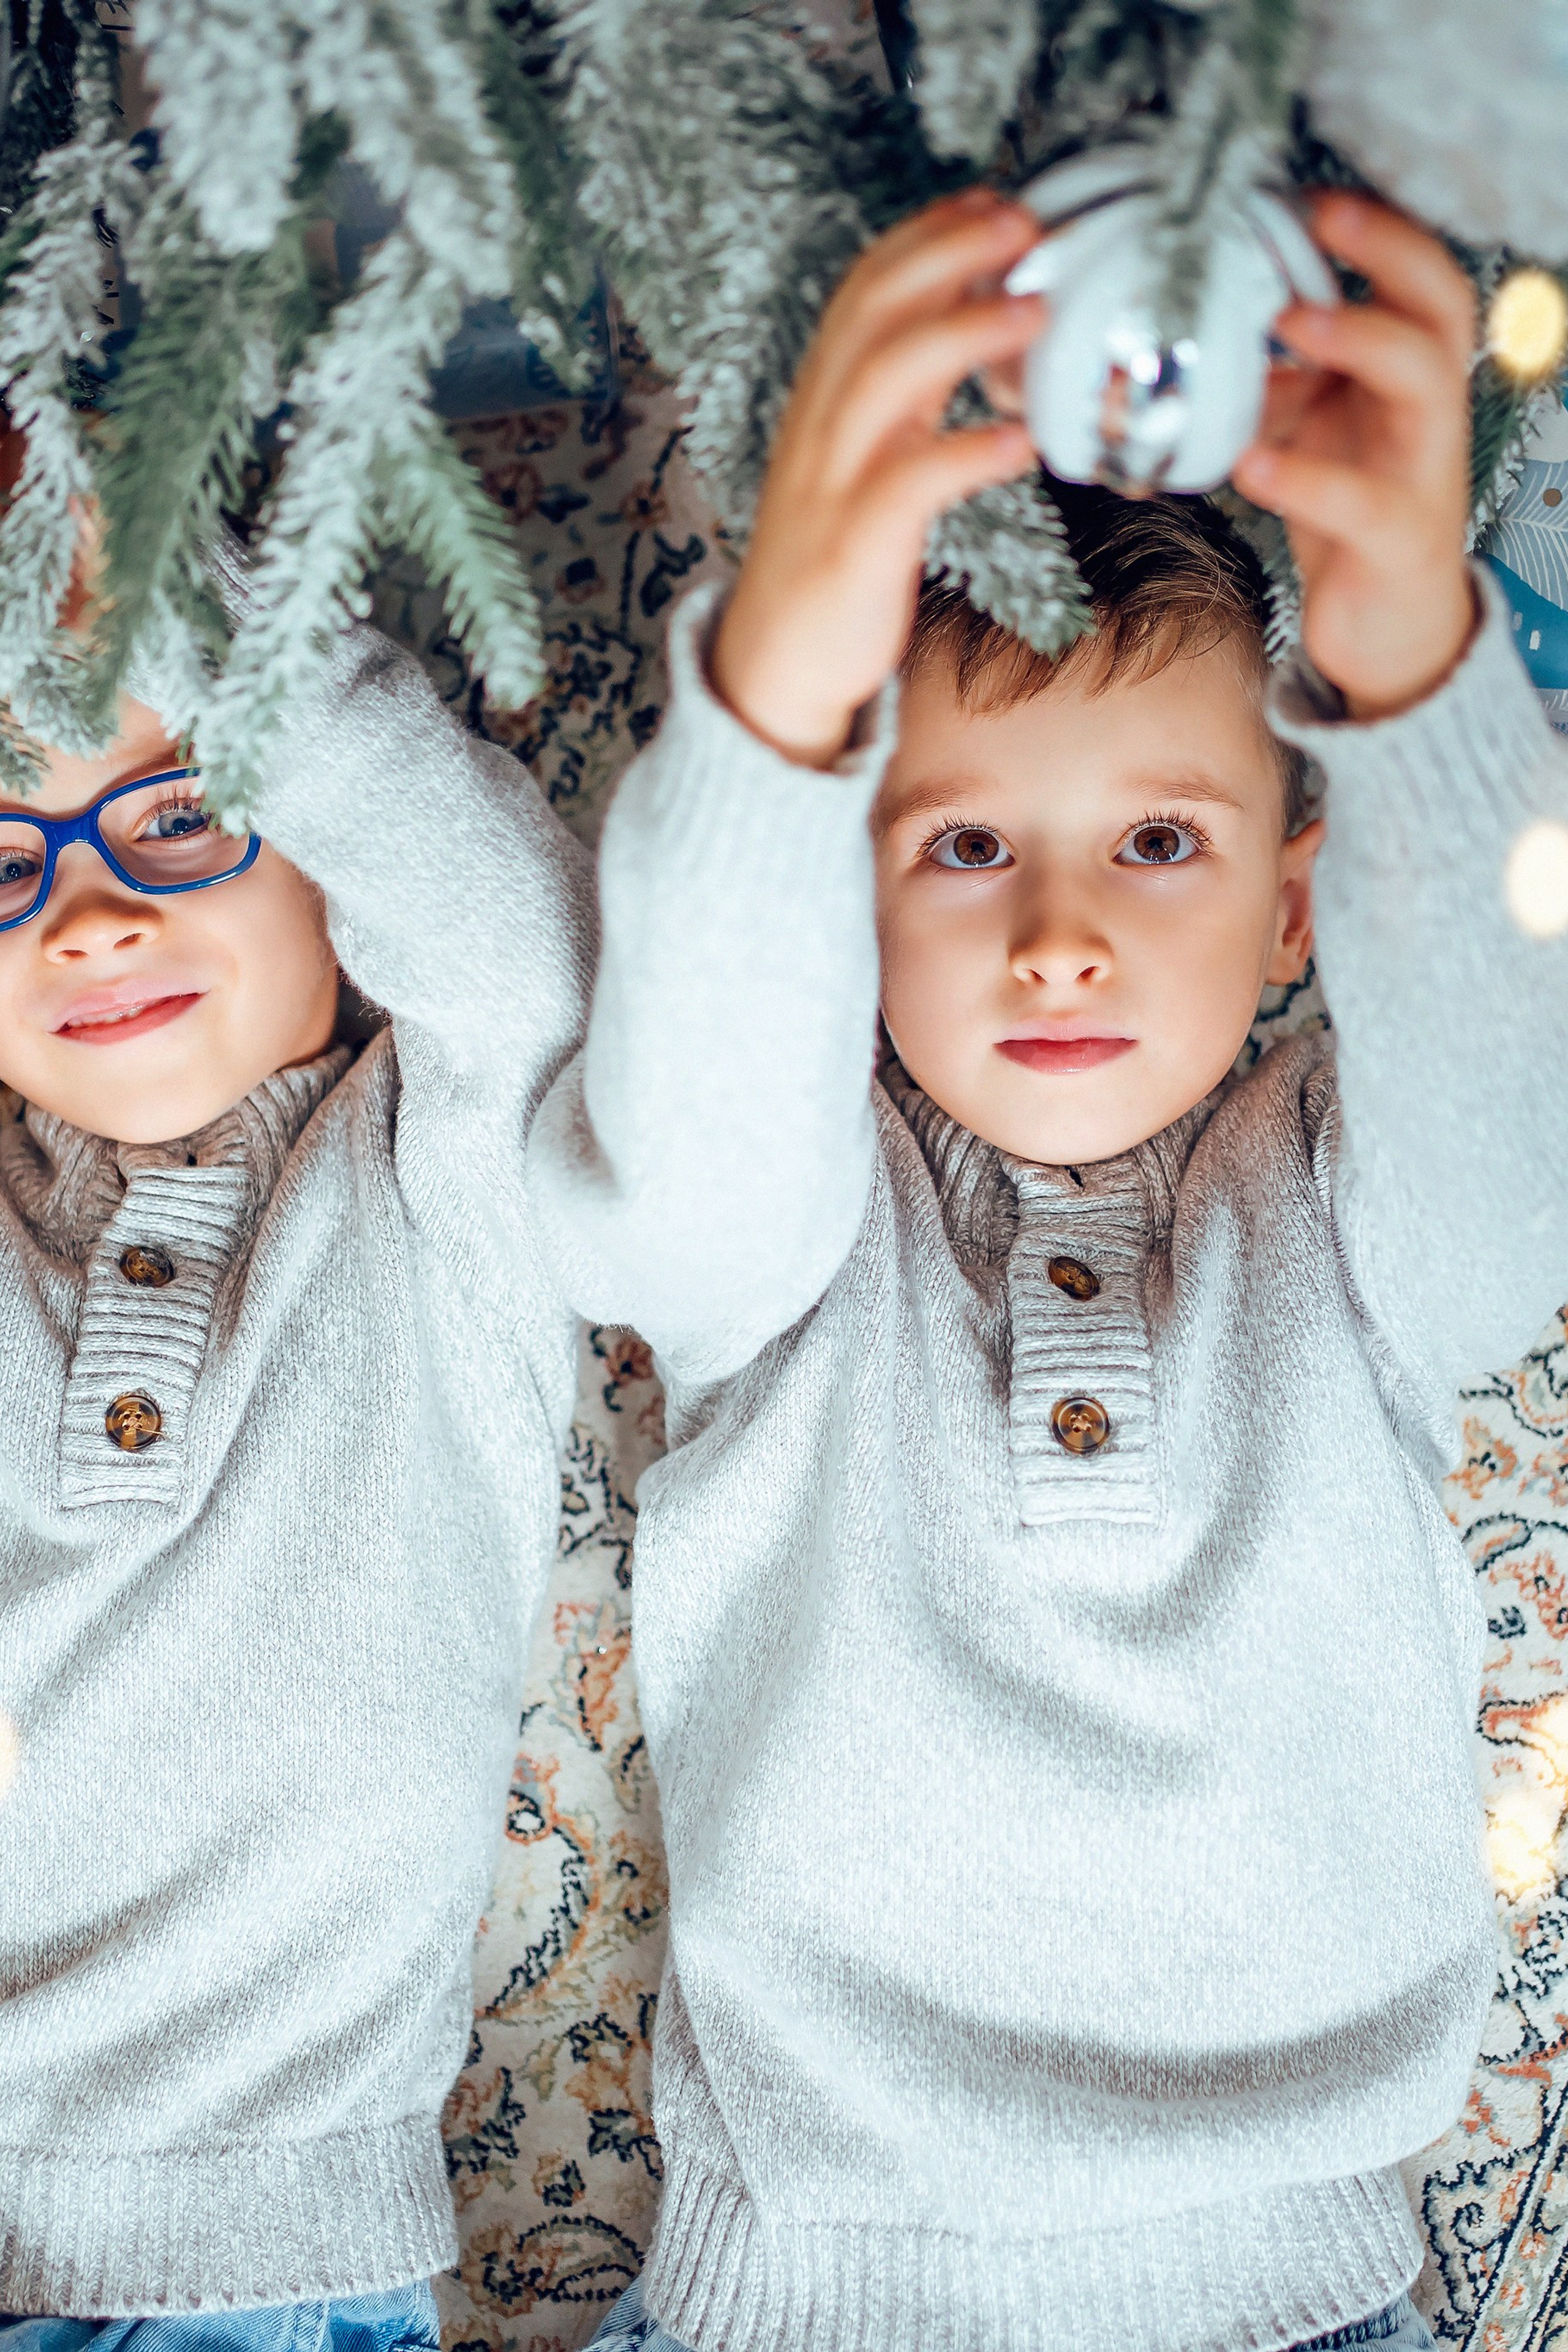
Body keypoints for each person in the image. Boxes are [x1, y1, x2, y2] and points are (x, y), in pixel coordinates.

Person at [526, 186, 1568, 2352]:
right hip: (799, 2290)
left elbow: (1506, 1108)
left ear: (1299, 912)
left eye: (1160, 842)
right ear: (851, 890)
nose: (1059, 933)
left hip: (1300, 2282)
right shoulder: (801, 1222)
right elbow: (672, 1150)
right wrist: (787, 674)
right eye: (966, 842)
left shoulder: (1347, 1217)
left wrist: (1407, 637)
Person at [0, 462, 594, 2348]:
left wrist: (145, 570)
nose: (88, 915)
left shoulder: (432, 1181)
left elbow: (508, 937)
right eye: (6, 863)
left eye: (181, 821)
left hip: (257, 2263)